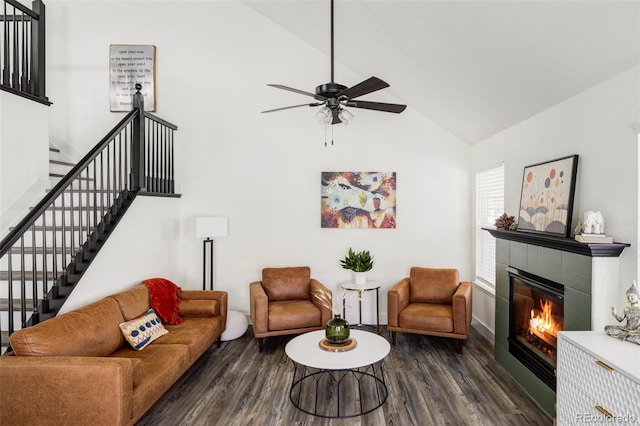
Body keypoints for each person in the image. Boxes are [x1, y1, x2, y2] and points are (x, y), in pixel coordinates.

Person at [605, 281, 640, 345]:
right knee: (607, 328)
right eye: (628, 297)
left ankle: (627, 336)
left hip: (636, 332)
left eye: (632, 297)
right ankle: (629, 337)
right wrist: (615, 314)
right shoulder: (626, 309)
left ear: (638, 297)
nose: (630, 298)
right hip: (626, 330)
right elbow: (620, 319)